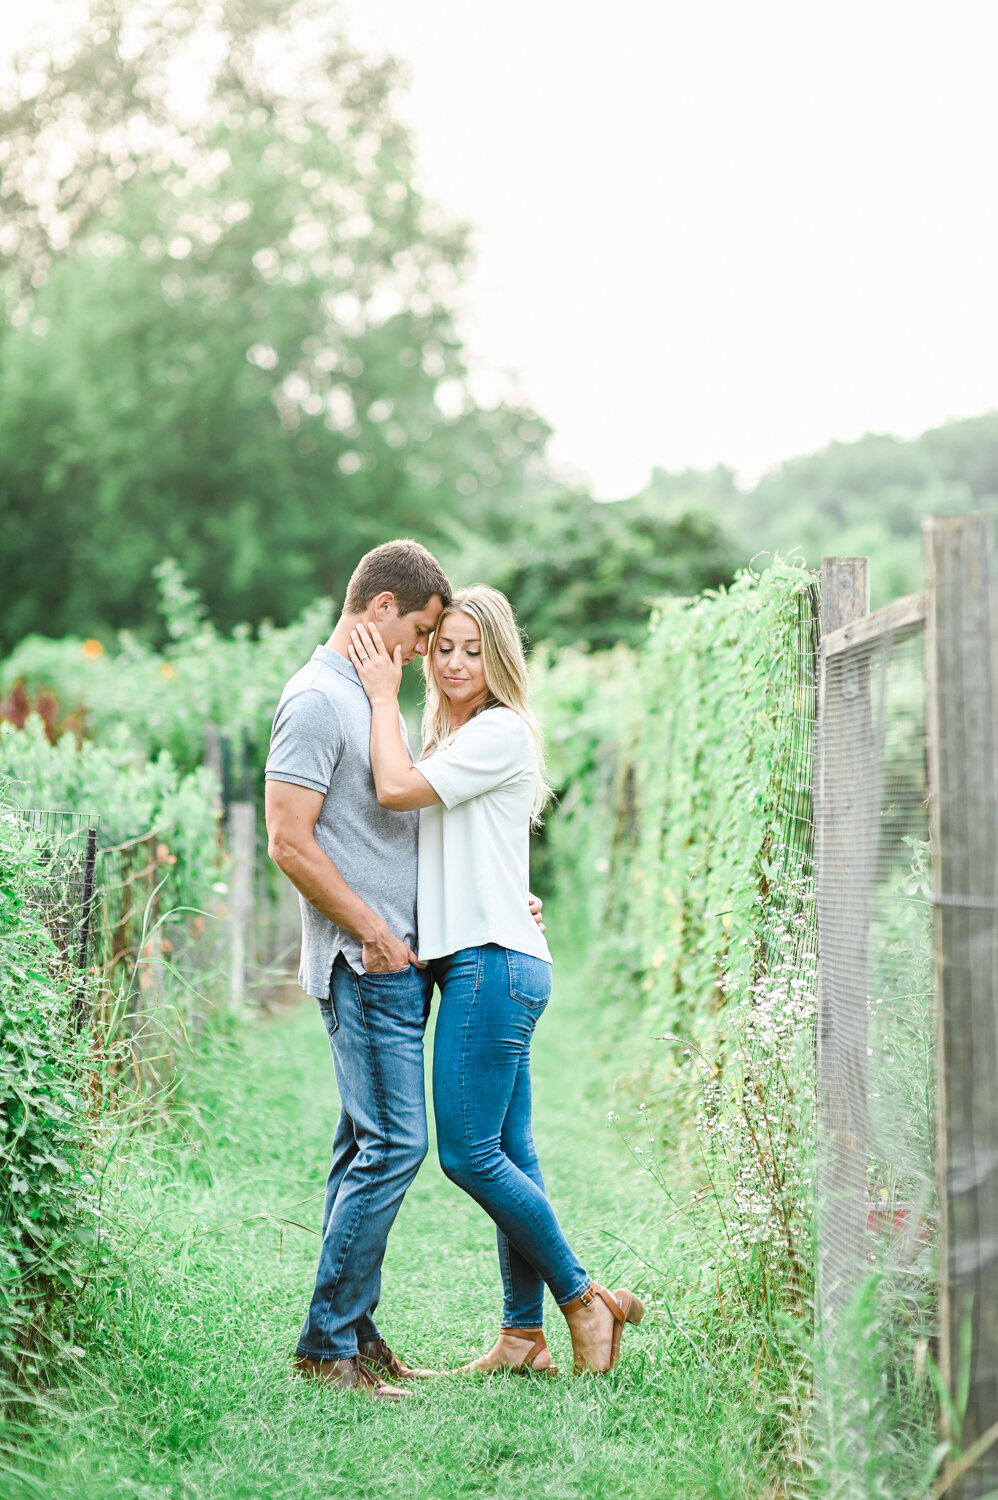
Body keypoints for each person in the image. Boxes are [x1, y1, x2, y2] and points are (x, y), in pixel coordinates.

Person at [348, 584, 644, 1377]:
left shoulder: (501, 731)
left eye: (472, 649)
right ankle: (523, 1336)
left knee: (469, 1155)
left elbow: (393, 789)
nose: (451, 661)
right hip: (486, 955)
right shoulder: (454, 737)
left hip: (491, 964)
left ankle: (584, 1300)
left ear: (500, 658)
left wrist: (380, 695)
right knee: (510, 1148)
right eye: (442, 645)